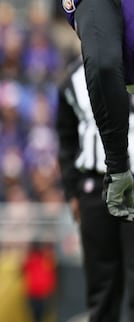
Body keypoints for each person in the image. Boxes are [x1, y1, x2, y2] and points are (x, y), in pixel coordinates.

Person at [56, 58, 134, 322]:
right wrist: (72, 190)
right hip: (92, 186)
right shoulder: (71, 80)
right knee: (102, 284)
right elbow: (65, 139)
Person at [63, 0, 134, 220]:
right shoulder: (69, 80)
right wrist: (117, 164)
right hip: (95, 179)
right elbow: (65, 136)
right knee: (102, 65)